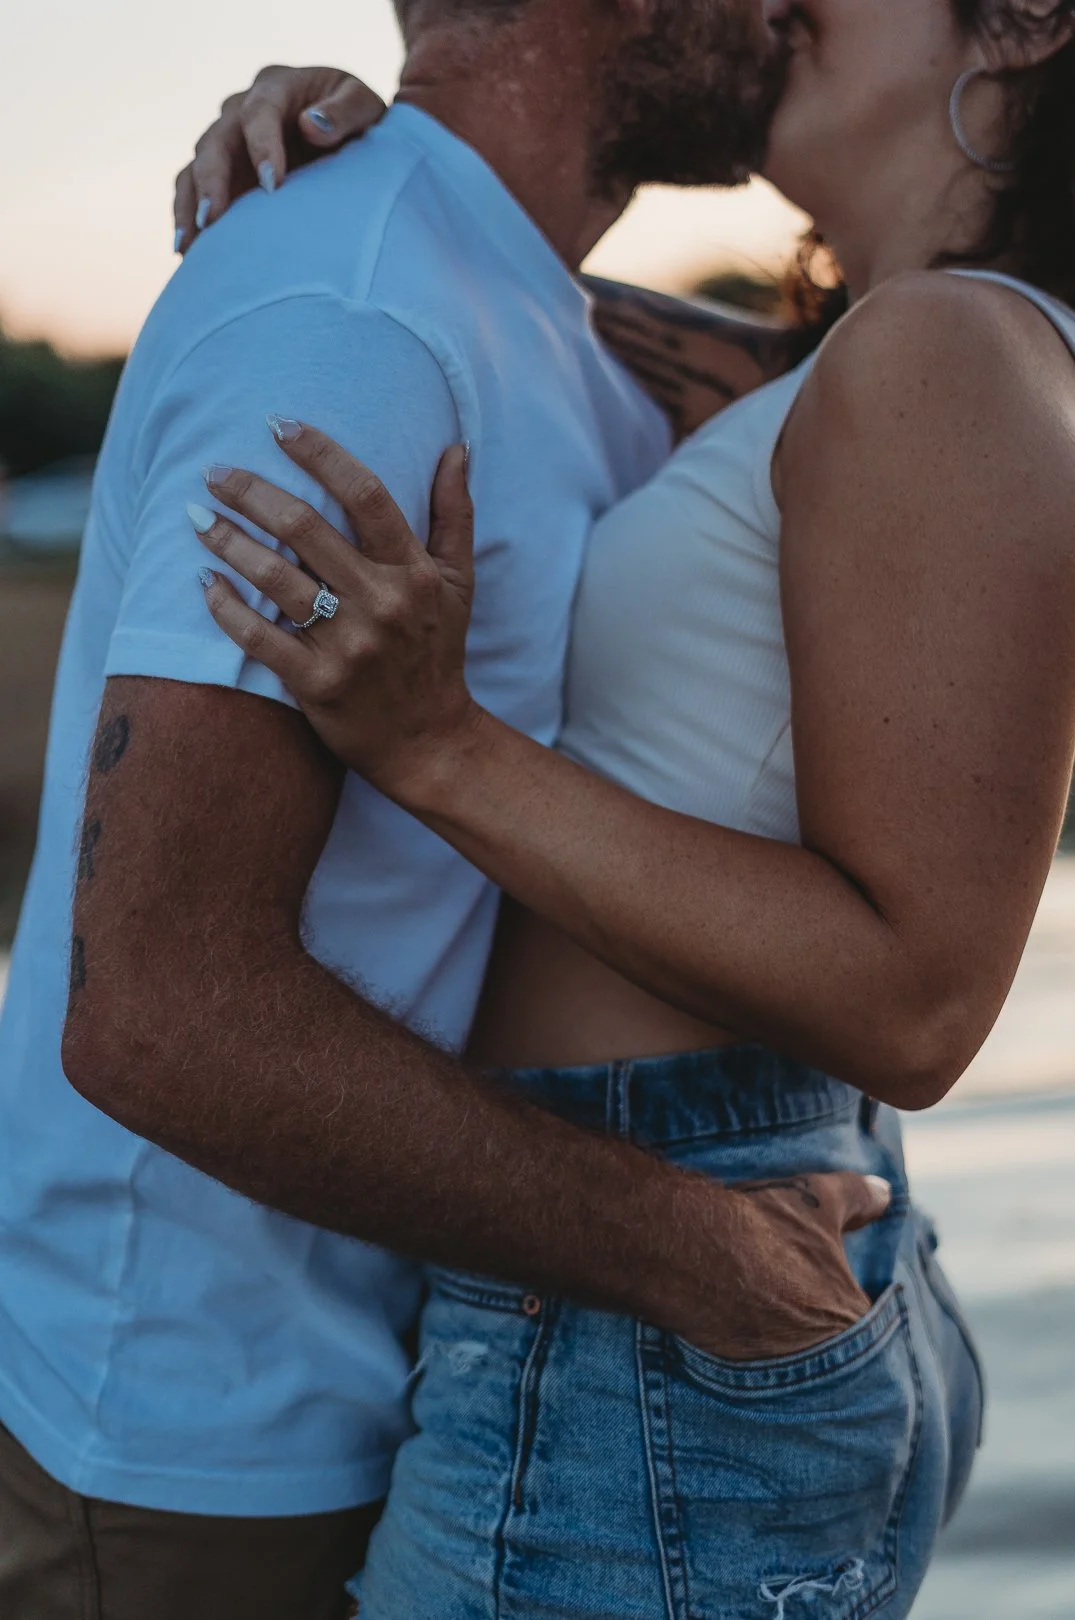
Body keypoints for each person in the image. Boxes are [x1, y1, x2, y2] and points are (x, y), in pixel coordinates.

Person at [165, 0, 1075, 1613]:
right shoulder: (901, 353)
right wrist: (382, 159)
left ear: (1023, 23)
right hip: (688, 1249)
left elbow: (924, 1000)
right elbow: (498, 289)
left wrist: (442, 750)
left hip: (657, 1293)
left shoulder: (948, 355)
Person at [0, 3, 896, 1619]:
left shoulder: (528, 318)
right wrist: (702, 1258)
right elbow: (157, 1013)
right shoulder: (349, 317)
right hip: (193, 1451)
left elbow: (929, 371)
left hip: (430, 1387)